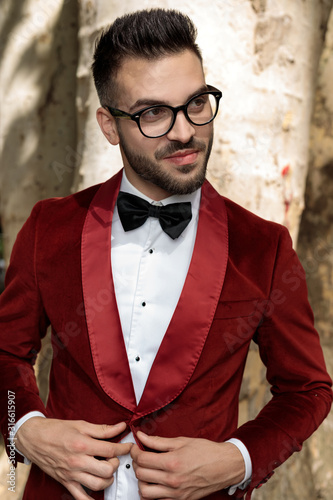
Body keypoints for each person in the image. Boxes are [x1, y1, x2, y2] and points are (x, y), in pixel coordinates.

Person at [0, 8, 332, 500]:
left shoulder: (264, 247)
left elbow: (307, 391)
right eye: (153, 112)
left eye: (196, 103)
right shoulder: (51, 226)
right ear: (109, 126)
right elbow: (5, 351)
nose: (184, 132)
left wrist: (237, 459)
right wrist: (23, 428)